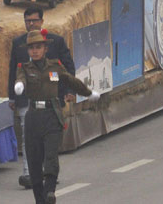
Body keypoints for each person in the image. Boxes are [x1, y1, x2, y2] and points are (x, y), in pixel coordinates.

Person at [14, 30, 99, 204]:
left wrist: (88, 93)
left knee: (51, 155)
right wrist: (19, 86)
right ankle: (40, 199)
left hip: (52, 115)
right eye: (31, 48)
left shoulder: (55, 66)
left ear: (45, 48)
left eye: (38, 47)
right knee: (34, 160)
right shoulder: (24, 68)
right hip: (33, 118)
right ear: (28, 51)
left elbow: (70, 80)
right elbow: (20, 79)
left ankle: (50, 191)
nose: (35, 51)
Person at [7, 5, 75, 189]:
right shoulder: (19, 43)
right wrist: (12, 97)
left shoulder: (55, 41)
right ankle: (29, 173)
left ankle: (49, 172)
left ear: (42, 21)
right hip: (26, 101)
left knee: (48, 139)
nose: (31, 24)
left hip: (51, 100)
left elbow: (68, 67)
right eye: (28, 21)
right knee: (28, 136)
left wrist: (70, 90)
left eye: (35, 20)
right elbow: (13, 70)